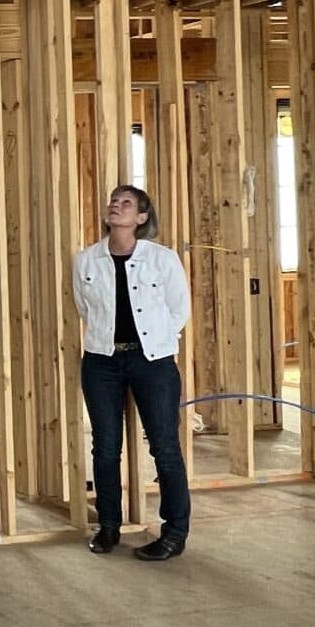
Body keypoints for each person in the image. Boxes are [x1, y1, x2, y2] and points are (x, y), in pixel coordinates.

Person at [73, 183, 193, 561]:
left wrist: (156, 341)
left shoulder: (162, 258)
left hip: (153, 360)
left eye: (127, 203)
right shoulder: (86, 260)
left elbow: (179, 308)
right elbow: (85, 309)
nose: (116, 206)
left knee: (165, 447)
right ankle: (108, 526)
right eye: (113, 201)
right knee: (105, 447)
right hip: (101, 360)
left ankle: (174, 533)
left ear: (141, 218)